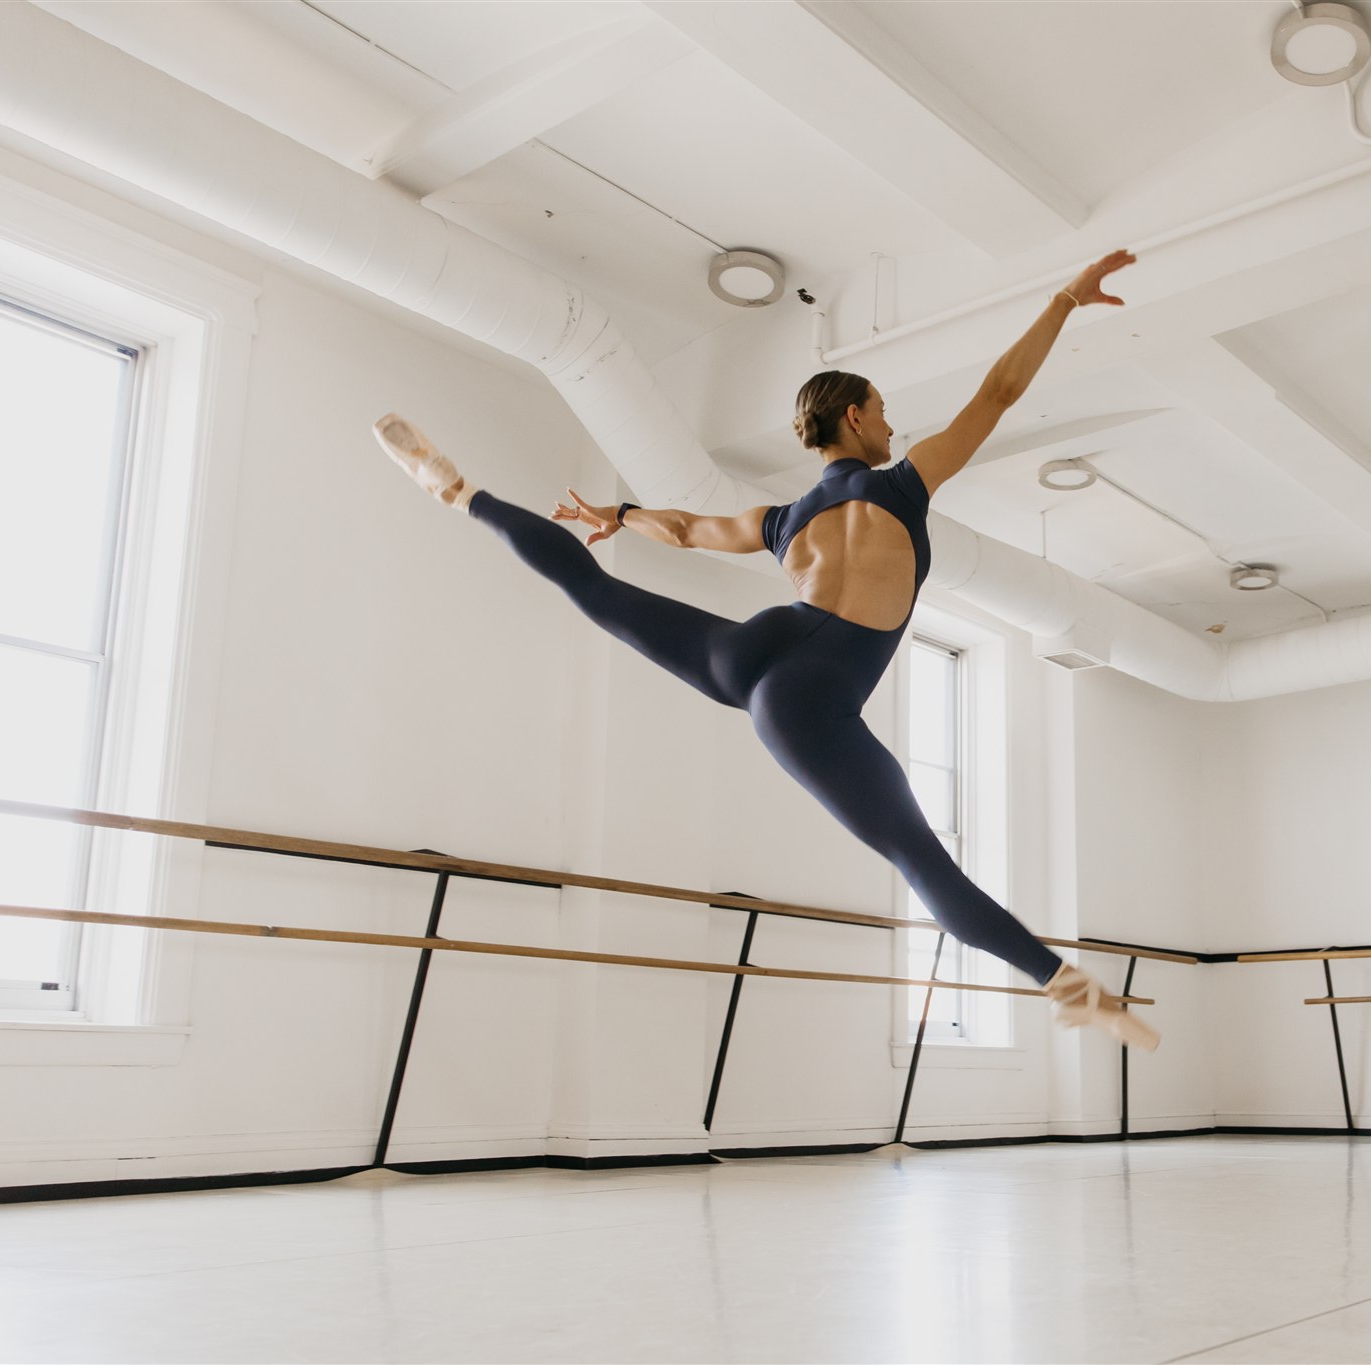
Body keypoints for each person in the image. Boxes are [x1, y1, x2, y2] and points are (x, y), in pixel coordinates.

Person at [374, 248, 1158, 1051]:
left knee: (601, 594)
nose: (892, 425)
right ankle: (1061, 983)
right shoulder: (903, 485)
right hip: (810, 702)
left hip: (754, 654)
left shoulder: (779, 519)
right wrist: (1062, 300)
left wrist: (621, 512)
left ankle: (463, 492)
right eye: (882, 411)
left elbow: (681, 528)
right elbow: (999, 391)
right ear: (853, 418)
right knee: (922, 861)